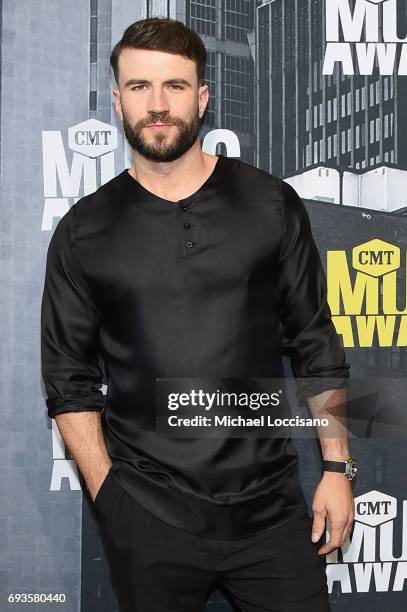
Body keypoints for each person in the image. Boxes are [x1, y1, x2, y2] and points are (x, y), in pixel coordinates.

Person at [40, 17, 356, 612]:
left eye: (175, 86)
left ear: (202, 97)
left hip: (272, 515)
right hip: (149, 517)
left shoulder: (270, 203)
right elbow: (68, 380)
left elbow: (315, 345)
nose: (157, 106)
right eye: (139, 87)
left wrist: (337, 470)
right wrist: (111, 498)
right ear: (117, 99)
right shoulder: (83, 231)